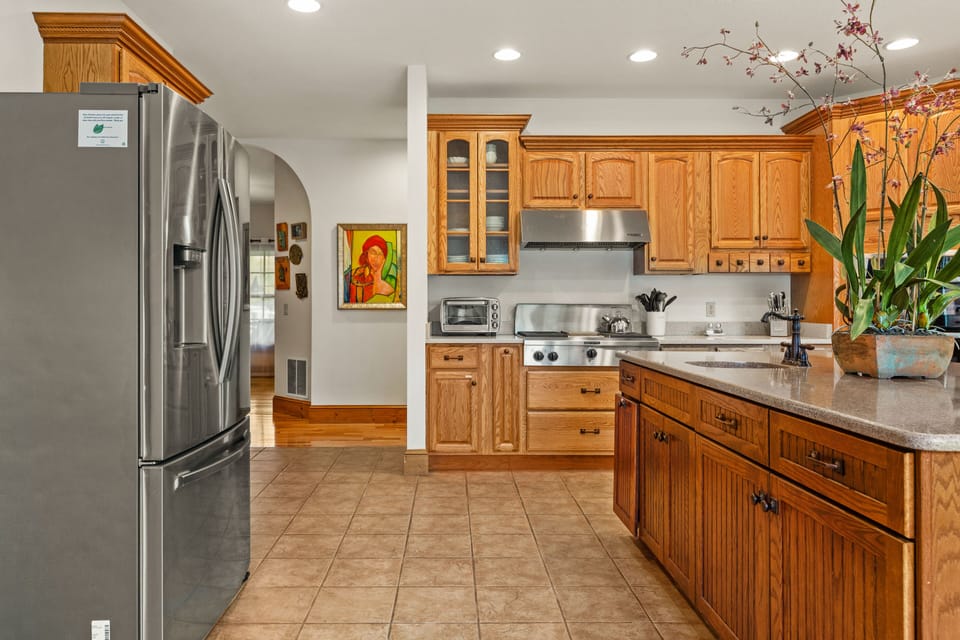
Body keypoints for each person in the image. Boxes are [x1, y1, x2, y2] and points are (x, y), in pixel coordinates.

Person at [347, 235, 396, 303]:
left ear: (384, 259)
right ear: (366, 254)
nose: (376, 258)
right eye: (373, 252)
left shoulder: (387, 284)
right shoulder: (353, 275)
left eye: (380, 254)